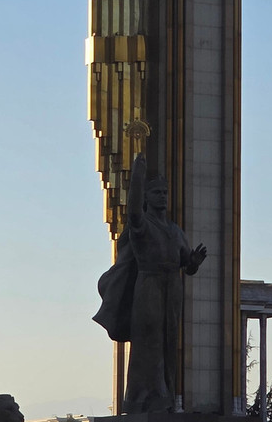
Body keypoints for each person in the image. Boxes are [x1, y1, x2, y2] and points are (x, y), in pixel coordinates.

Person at [94, 153, 207, 413]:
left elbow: (187, 266)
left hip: (172, 287)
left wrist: (194, 262)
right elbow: (133, 212)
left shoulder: (175, 231)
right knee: (148, 341)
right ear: (146, 197)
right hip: (149, 286)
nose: (163, 197)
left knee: (169, 342)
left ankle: (165, 397)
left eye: (165, 193)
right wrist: (137, 175)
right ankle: (141, 399)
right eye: (157, 192)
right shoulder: (142, 224)